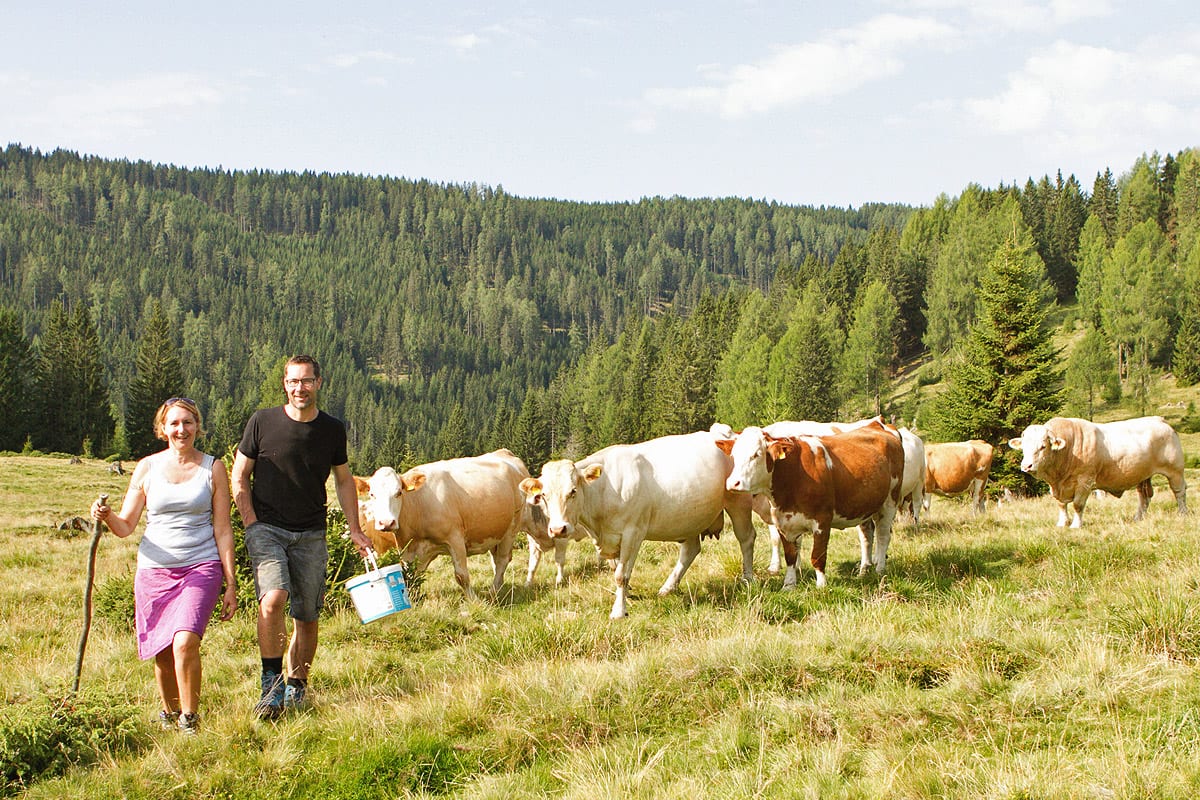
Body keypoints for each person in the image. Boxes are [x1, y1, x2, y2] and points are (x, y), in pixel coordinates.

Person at [232, 354, 370, 720]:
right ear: (284, 384)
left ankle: (297, 687)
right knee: (273, 599)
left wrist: (355, 530)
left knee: (307, 617)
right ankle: (270, 686)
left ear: (318, 383)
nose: (300, 388)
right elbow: (239, 475)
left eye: (306, 381)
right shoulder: (262, 422)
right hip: (268, 529)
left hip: (311, 533)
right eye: (293, 382)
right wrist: (251, 523)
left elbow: (343, 480)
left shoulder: (332, 429)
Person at [90, 397, 238, 735]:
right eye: (174, 423)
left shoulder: (213, 468)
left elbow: (223, 529)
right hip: (154, 571)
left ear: (197, 426)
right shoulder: (147, 467)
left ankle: (190, 718)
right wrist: (107, 516)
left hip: (200, 566)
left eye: (187, 422)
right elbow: (126, 525)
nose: (181, 429)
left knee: (185, 641)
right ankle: (169, 715)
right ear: (162, 429)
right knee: (161, 650)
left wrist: (230, 582)